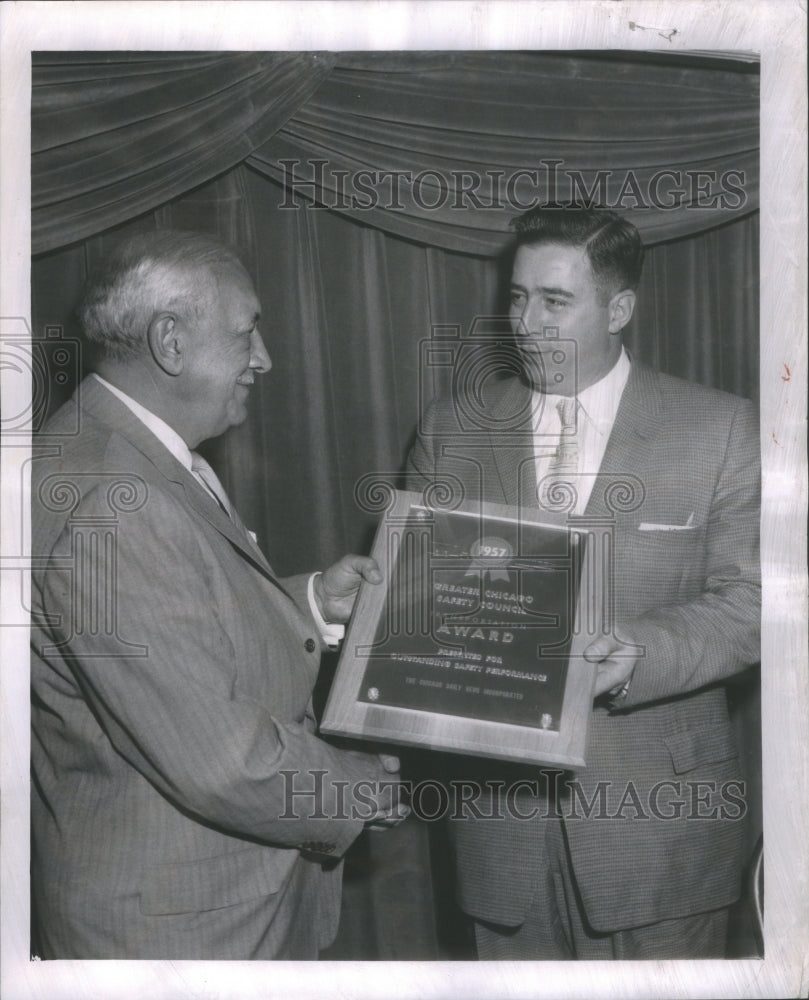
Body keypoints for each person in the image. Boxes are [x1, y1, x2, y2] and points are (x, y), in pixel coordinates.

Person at [30, 229, 406, 960]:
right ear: (170, 342)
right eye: (247, 332)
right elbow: (217, 759)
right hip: (188, 934)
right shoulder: (114, 501)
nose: (263, 358)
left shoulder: (115, 450)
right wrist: (365, 789)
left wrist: (306, 605)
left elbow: (180, 639)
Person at [406, 206, 760, 959]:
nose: (525, 323)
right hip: (497, 828)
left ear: (620, 308)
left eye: (554, 301)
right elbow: (421, 608)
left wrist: (638, 652)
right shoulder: (451, 429)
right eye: (515, 297)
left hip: (658, 833)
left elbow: (754, 604)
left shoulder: (721, 429)